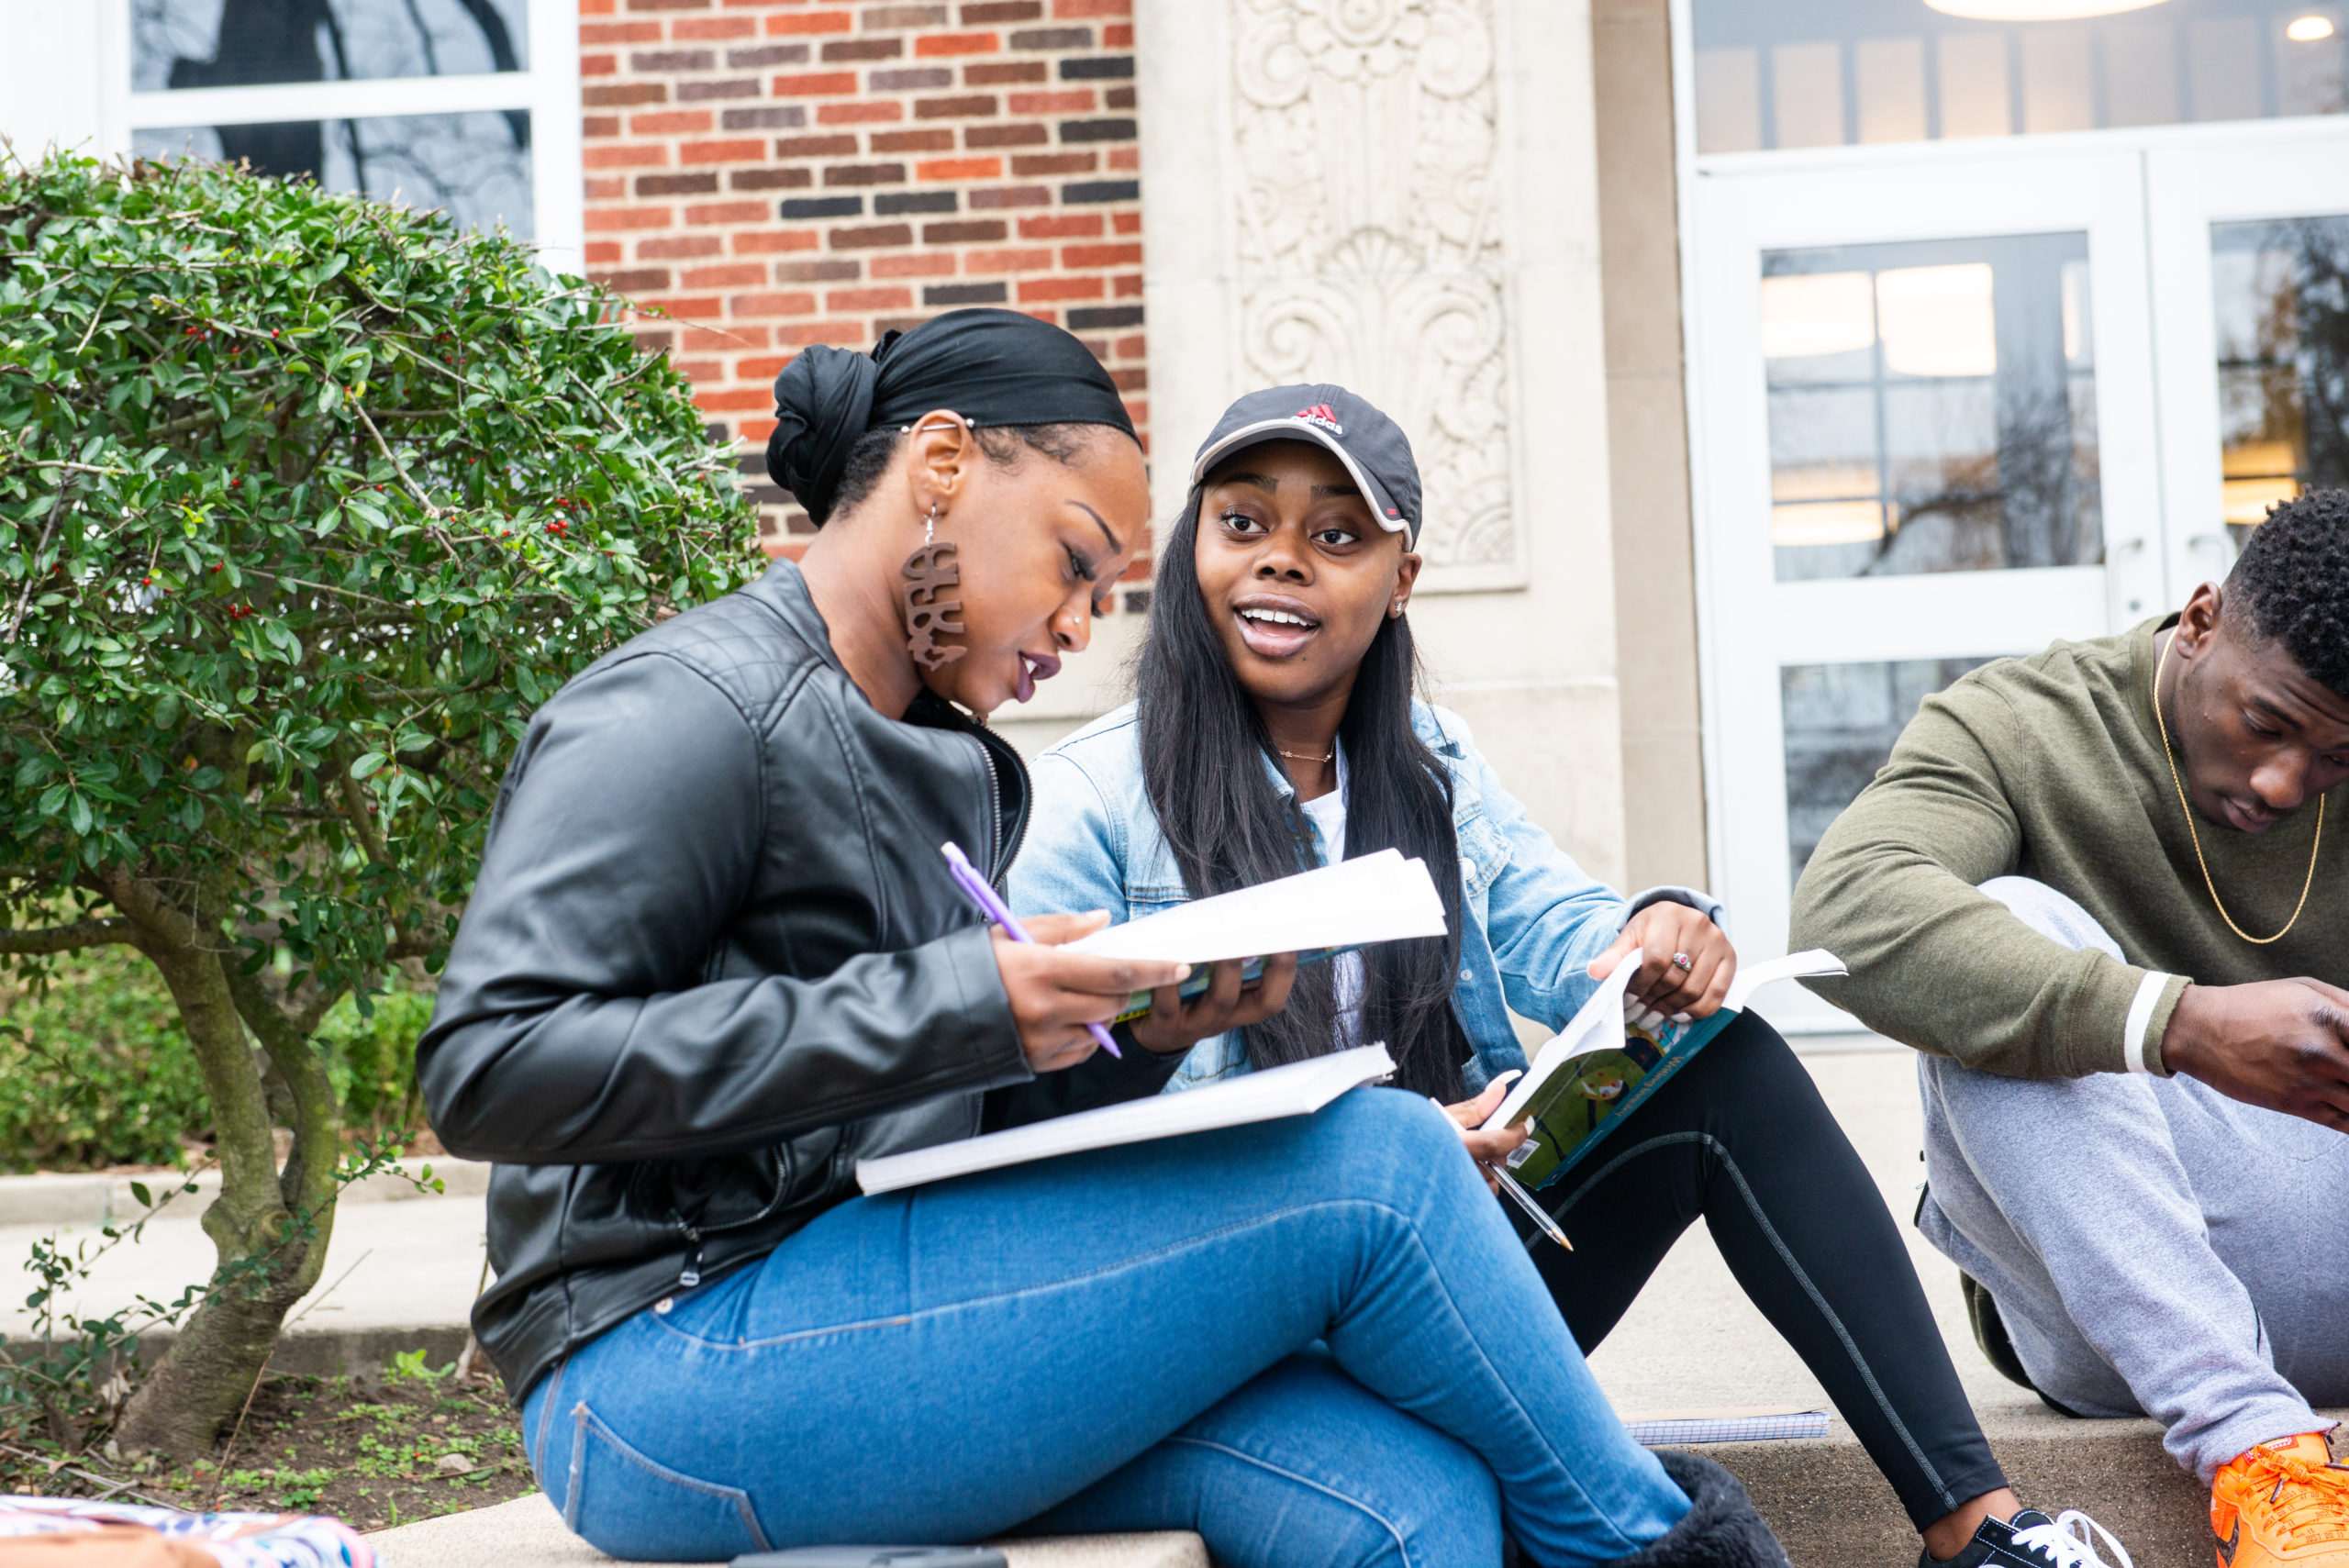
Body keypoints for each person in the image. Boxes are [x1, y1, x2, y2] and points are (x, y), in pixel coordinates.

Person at [417, 313, 1789, 1568]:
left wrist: (1129, 1039)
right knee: (1382, 1160)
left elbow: (926, 1121)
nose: (1079, 628)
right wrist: (964, 998)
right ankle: (1643, 1550)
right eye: (1076, 563)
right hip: (658, 1366)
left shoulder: (941, 761)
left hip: (873, 1309)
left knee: (1407, 1498)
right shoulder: (689, 708)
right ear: (943, 464)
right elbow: (489, 1066)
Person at [1010, 384, 2132, 1568]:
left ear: (1401, 577)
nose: (1279, 563)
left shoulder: (1430, 767)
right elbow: (1049, 1142)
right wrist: (1368, 1157)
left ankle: (1981, 1534)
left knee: (1725, 1059)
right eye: (1242, 524)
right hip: (1230, 1325)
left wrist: (1652, 929)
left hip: (1436, 1285)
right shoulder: (1090, 803)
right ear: (1194, 544)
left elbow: (1562, 924)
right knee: (1390, 1185)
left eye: (1335, 536)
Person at [1790, 490, 2349, 1568]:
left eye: (2332, 759)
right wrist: (2173, 1023)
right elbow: (1843, 914)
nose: (2286, 780)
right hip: (2122, 1301)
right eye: (2266, 723)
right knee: (2001, 930)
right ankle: (2266, 1463)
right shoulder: (2022, 724)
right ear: (2198, 619)